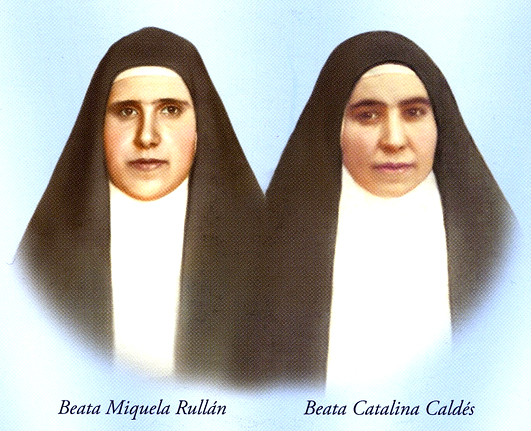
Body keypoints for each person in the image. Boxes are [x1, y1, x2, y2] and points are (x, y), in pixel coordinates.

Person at [266, 31, 517, 387]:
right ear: (333, 127)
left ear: (439, 122)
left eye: (414, 113)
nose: (394, 140)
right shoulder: (274, 251)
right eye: (368, 116)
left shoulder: (500, 249)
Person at [16, 27, 265, 386]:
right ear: (98, 125)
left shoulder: (264, 256)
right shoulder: (40, 262)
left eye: (170, 110)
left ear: (201, 126)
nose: (147, 136)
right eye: (127, 111)